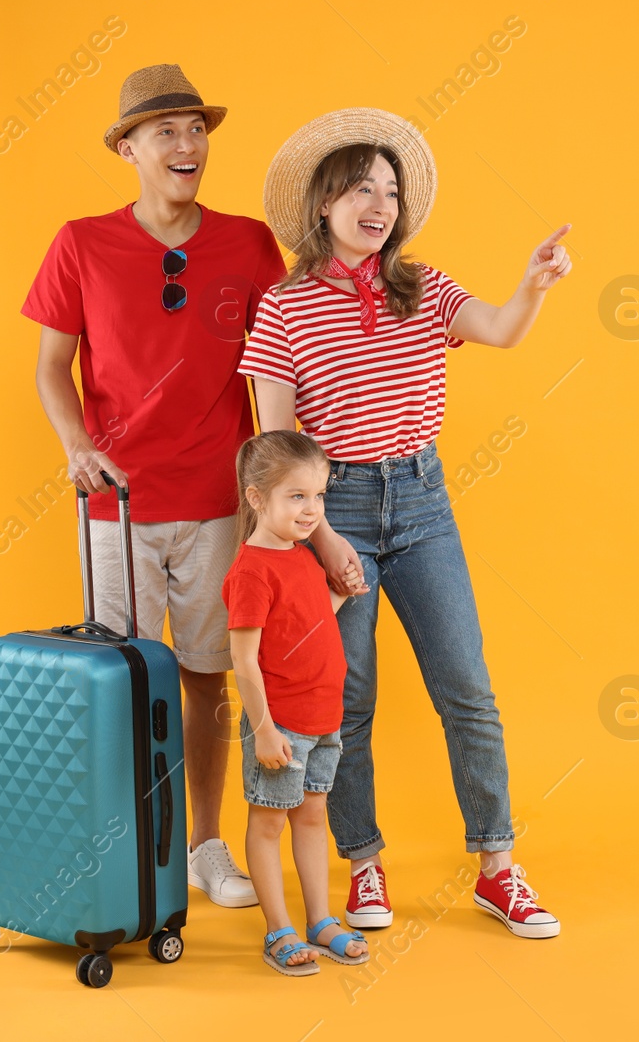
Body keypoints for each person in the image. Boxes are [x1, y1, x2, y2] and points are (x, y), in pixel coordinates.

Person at [239, 108, 571, 939]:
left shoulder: (422, 287)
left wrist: (532, 283)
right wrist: (320, 535)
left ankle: (497, 868)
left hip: (421, 501)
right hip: (331, 505)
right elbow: (274, 451)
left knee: (467, 687)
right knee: (342, 701)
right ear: (324, 203)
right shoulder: (283, 308)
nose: (378, 204)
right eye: (360, 187)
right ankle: (365, 863)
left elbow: (497, 328)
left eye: (389, 190)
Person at [23, 63, 287, 909]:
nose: (187, 144)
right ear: (127, 147)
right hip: (117, 504)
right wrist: (75, 446)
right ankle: (131, 845)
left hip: (217, 502)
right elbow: (52, 368)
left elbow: (278, 362)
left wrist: (278, 489)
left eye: (196, 129)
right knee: (126, 677)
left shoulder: (247, 243)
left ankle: (206, 844)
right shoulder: (81, 242)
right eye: (166, 130)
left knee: (209, 677)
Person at [222, 430, 370, 975]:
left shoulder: (301, 556)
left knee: (311, 820)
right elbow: (244, 661)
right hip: (281, 724)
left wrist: (341, 593)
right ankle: (278, 929)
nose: (313, 511)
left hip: (323, 721)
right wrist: (263, 728)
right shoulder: (252, 570)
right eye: (297, 497)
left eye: (320, 496)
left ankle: (320, 920)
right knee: (269, 824)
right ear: (257, 498)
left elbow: (306, 627)